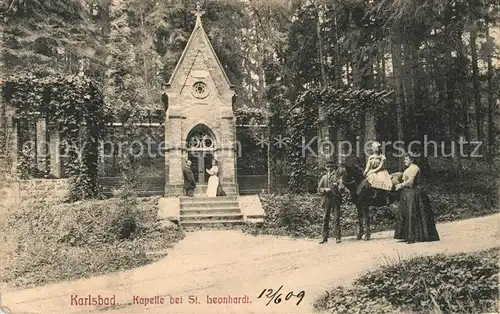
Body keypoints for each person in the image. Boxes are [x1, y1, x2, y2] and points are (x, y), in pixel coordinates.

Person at [394, 153, 440, 243]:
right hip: (407, 193)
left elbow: (410, 182)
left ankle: (415, 236)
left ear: (412, 160)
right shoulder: (409, 168)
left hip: (413, 193)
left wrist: (401, 185)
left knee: (412, 213)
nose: (405, 161)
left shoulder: (414, 168)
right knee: (406, 213)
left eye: (406, 160)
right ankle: (407, 235)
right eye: (405, 159)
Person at [318, 159, 343, 244]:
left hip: (335, 199)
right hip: (326, 199)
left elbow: (342, 187)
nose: (330, 168)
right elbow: (318, 189)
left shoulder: (338, 176)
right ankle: (324, 238)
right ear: (325, 168)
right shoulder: (324, 177)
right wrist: (325, 189)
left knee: (336, 218)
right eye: (328, 167)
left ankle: (337, 237)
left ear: (334, 167)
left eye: (331, 167)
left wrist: (338, 186)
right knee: (325, 218)